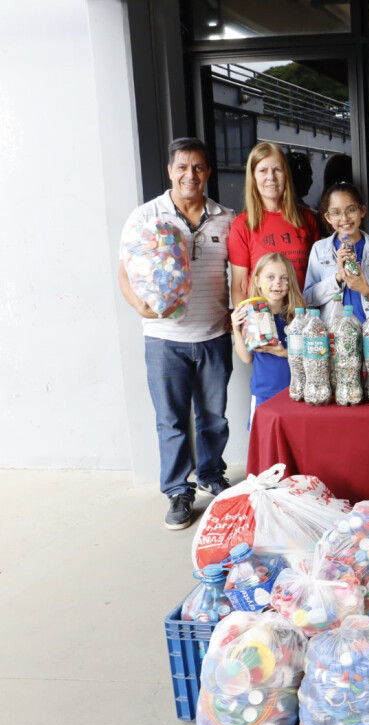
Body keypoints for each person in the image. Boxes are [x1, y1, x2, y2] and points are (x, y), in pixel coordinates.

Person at [117, 137, 234, 530]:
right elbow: (125, 269)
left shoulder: (226, 217)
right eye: (182, 167)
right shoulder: (147, 216)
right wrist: (138, 304)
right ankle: (178, 491)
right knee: (172, 420)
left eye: (198, 167)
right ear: (170, 171)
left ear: (208, 173)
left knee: (213, 417)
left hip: (214, 333)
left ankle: (212, 475)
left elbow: (239, 273)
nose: (190, 174)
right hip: (165, 338)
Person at [228, 141, 319, 306]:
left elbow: (319, 275)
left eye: (277, 170)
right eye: (263, 170)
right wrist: (247, 326)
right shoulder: (242, 225)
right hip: (263, 322)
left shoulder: (307, 219)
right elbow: (239, 287)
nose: (271, 177)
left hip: (304, 319)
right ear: (254, 177)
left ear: (286, 175)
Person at [304, 181, 369, 324]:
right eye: (336, 212)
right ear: (328, 218)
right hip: (334, 334)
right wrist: (337, 277)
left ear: (362, 211)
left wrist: (367, 290)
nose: (345, 218)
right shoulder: (320, 249)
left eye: (351, 210)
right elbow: (308, 298)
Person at [230, 253, 305, 428]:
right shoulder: (251, 316)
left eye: (283, 278)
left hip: (296, 392)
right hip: (264, 394)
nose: (277, 283)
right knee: (264, 447)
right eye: (270, 277)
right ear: (257, 281)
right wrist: (236, 328)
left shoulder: (297, 317)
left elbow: (311, 356)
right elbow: (247, 358)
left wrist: (283, 353)